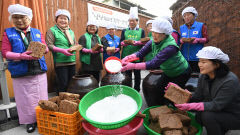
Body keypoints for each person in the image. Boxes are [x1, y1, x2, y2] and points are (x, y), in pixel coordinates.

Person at [121, 19, 191, 106]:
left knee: (174, 94)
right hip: (169, 71)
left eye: (157, 33)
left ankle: (176, 111)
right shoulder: (153, 41)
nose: (154, 35)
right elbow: (140, 53)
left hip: (181, 72)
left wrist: (132, 66)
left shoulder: (170, 47)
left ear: (164, 34)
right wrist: (128, 58)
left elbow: (153, 64)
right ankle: (162, 109)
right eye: (153, 31)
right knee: (159, 88)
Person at [1, 4, 48, 133]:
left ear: (29, 18)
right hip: (21, 72)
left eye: (23, 17)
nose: (19, 20)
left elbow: (44, 45)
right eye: (16, 17)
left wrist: (45, 49)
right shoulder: (8, 33)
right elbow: (5, 52)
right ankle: (29, 121)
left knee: (41, 96)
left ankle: (42, 118)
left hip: (38, 69)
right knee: (25, 99)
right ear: (12, 18)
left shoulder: (37, 32)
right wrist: (21, 56)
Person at [175, 46, 240, 135]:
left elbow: (217, 105)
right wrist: (182, 93)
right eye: (199, 61)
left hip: (234, 115)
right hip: (219, 110)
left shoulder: (230, 81)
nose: (199, 64)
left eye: (204, 62)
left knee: (208, 116)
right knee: (199, 117)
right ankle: (221, 128)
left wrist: (192, 106)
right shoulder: (204, 75)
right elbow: (198, 96)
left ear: (216, 64)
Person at [46, 9, 80, 94]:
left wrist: (77, 47)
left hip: (72, 61)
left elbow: (74, 43)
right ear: (56, 19)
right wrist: (62, 50)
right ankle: (62, 103)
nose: (63, 20)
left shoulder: (71, 31)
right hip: (61, 62)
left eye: (65, 18)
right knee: (63, 84)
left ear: (68, 21)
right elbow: (49, 45)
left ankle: (70, 103)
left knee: (72, 83)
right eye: (61, 18)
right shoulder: (52, 30)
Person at [120, 7, 145, 92]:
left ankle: (137, 90)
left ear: (137, 21)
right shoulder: (124, 31)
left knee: (137, 74)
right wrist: (124, 42)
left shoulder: (141, 31)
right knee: (127, 74)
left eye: (133, 20)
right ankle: (128, 89)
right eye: (130, 20)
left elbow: (144, 42)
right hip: (126, 55)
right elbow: (121, 42)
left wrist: (137, 42)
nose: (131, 22)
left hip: (137, 55)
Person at [180, 6, 209, 73]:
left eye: (188, 15)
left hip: (197, 57)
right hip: (184, 58)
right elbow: (178, 40)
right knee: (184, 77)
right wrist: (182, 40)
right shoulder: (182, 28)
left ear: (194, 15)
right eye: (184, 16)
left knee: (196, 77)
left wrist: (198, 40)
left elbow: (206, 39)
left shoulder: (201, 25)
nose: (186, 17)